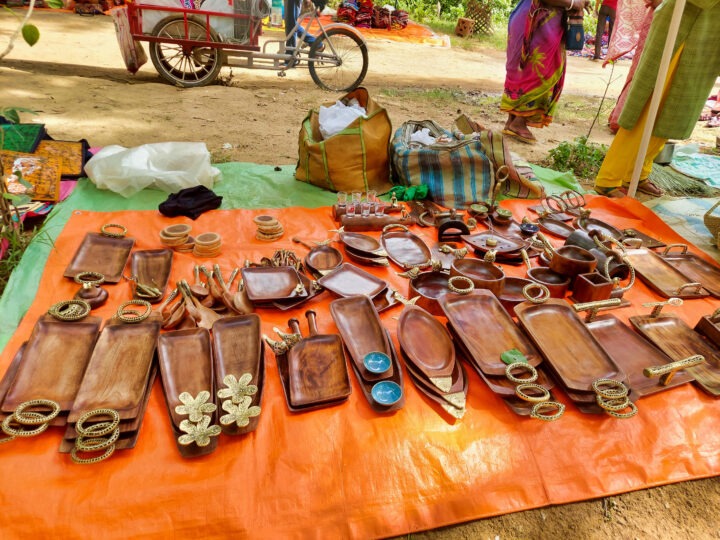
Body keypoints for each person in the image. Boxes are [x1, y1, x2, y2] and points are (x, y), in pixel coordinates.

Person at [594, 0, 720, 197]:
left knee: (671, 113)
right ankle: (609, 179)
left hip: (706, 37)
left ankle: (637, 174)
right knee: (649, 106)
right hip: (683, 30)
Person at [501, 0, 592, 144]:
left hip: (530, 19)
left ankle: (513, 120)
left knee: (524, 70)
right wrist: (573, 3)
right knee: (540, 71)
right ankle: (519, 122)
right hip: (539, 24)